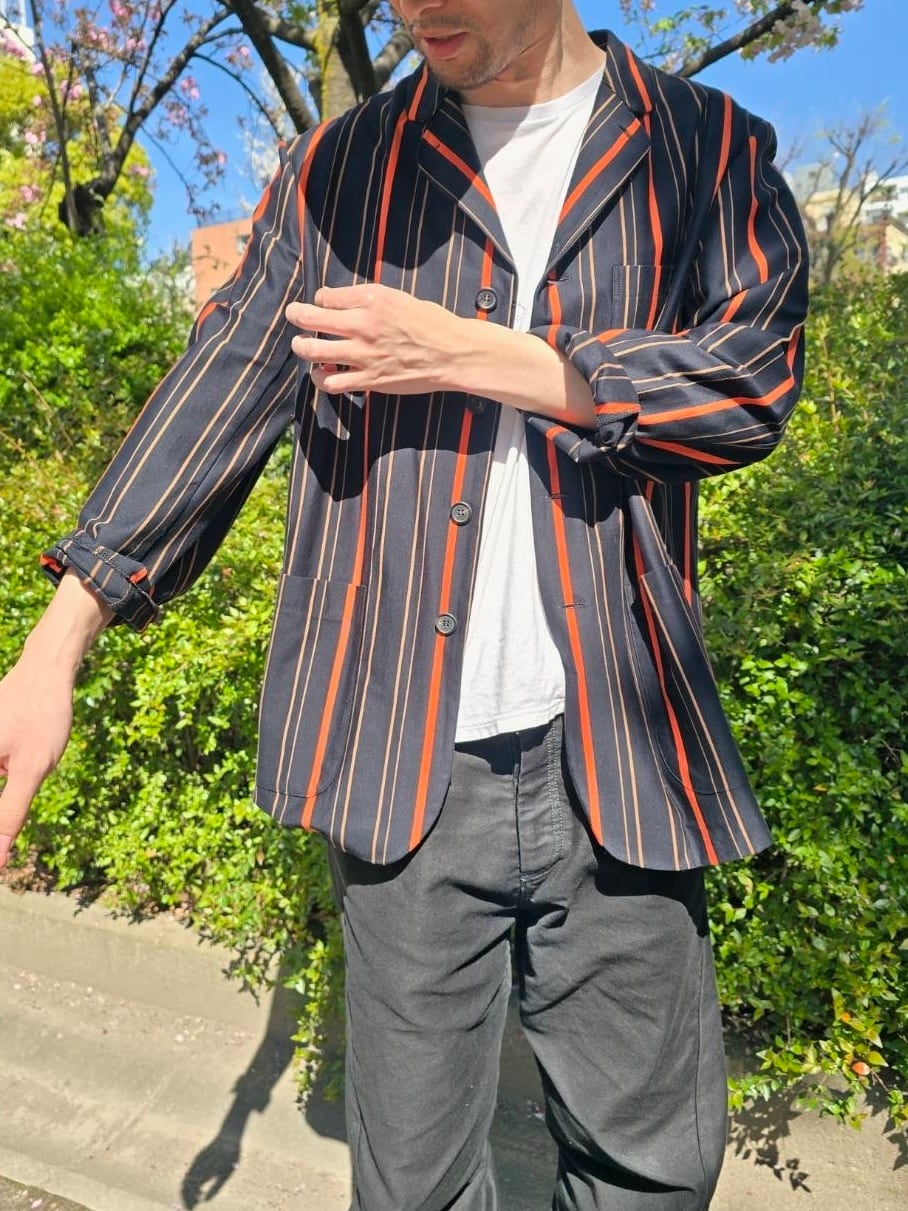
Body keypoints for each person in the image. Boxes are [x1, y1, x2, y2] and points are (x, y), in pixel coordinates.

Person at [0, 2, 808, 1207]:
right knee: (411, 1180)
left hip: (620, 754)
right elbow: (219, 388)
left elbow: (747, 381)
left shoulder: (704, 146)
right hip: (398, 760)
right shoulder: (339, 170)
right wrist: (51, 649)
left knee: (648, 1167)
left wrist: (487, 356)